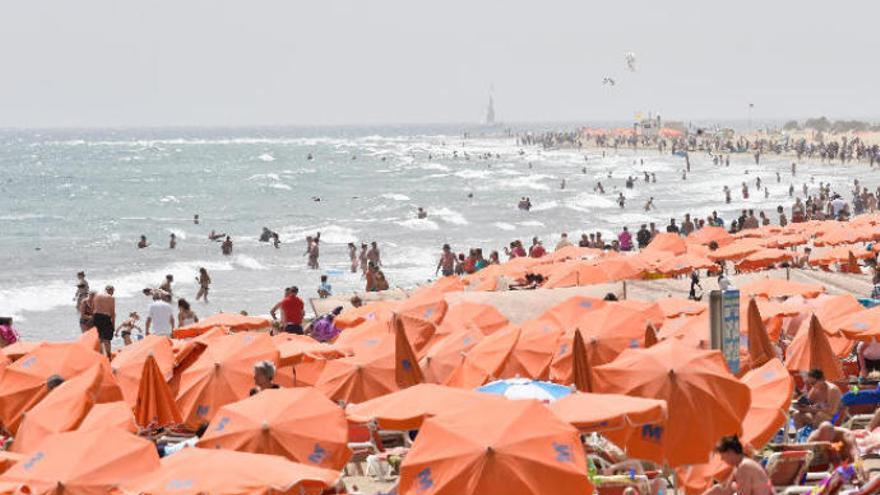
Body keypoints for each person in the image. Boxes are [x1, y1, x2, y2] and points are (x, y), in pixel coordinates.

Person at [701, 436, 772, 495]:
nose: (722, 459)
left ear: (730, 452)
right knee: (718, 488)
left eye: (722, 455)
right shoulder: (740, 465)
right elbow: (725, 488)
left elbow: (745, 493)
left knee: (720, 488)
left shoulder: (745, 466)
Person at [92, 286, 116, 357]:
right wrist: (113, 325)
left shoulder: (96, 296)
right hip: (105, 317)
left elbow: (93, 308)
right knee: (107, 339)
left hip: (96, 317)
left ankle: (99, 355)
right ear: (110, 290)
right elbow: (112, 312)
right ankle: (108, 356)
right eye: (113, 292)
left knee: (99, 338)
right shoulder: (111, 298)